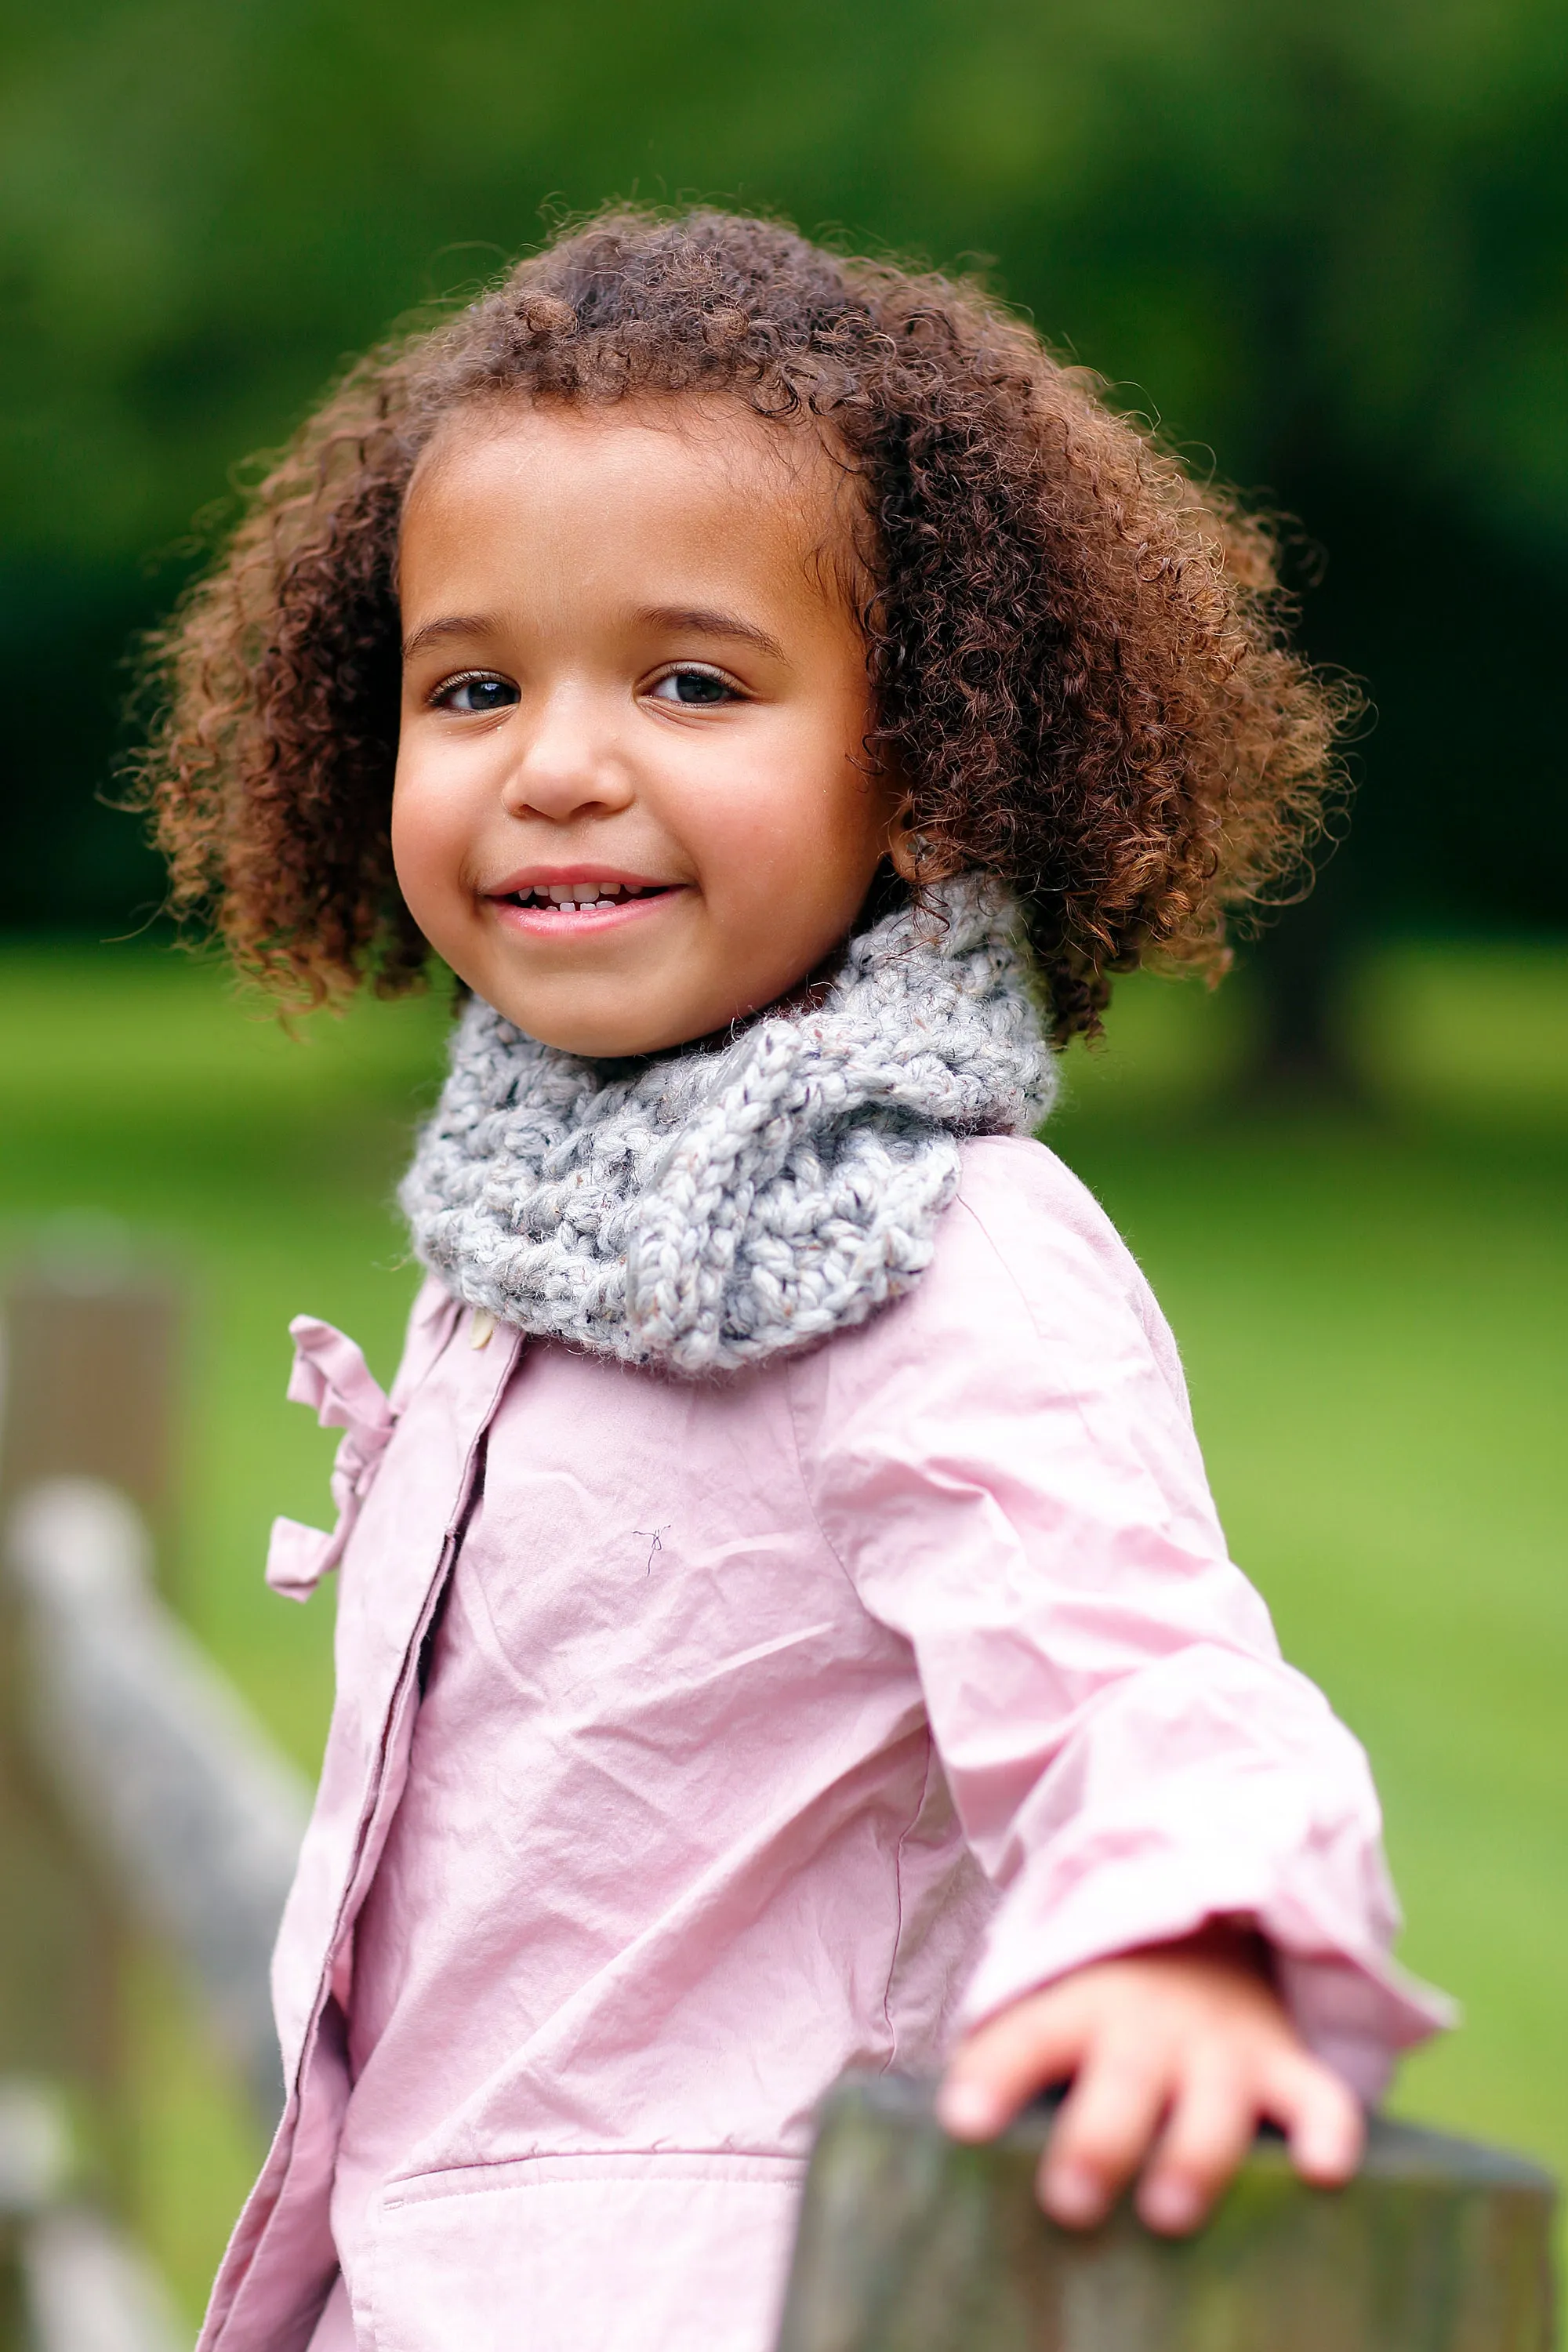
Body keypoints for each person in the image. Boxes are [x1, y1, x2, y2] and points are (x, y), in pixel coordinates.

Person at [140, 209, 1447, 2352]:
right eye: (475, 684)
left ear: (924, 762)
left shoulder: (926, 1241)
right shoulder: (537, 1221)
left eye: (691, 681)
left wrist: (1189, 1941)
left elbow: (1137, 1671)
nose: (556, 758)